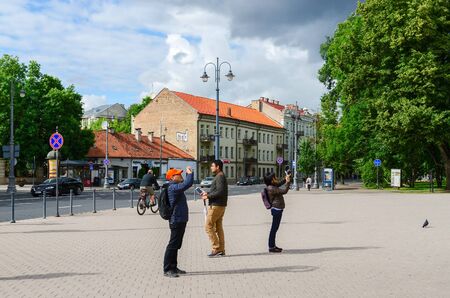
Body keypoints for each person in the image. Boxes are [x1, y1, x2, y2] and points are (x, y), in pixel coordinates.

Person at [163, 167, 193, 278]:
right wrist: (190, 174)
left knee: (176, 245)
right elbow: (187, 184)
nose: (181, 176)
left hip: (181, 219)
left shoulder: (175, 187)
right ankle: (167, 269)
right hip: (176, 219)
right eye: (178, 174)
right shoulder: (172, 188)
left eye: (181, 174)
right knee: (172, 245)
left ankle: (174, 267)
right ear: (172, 177)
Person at [201, 160, 228, 257]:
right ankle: (221, 249)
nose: (211, 168)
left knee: (208, 226)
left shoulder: (220, 177)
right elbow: (218, 190)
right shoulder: (220, 176)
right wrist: (207, 193)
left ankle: (216, 248)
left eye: (212, 166)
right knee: (219, 227)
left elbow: (220, 192)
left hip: (216, 205)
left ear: (218, 167)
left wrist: (208, 196)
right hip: (220, 205)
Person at [264, 171, 291, 253]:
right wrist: (288, 182)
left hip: (277, 209)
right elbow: (285, 191)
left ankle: (272, 245)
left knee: (275, 228)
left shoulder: (272, 186)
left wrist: (285, 178)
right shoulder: (272, 188)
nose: (276, 178)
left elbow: (279, 184)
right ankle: (271, 247)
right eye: (275, 177)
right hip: (277, 210)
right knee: (274, 228)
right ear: (272, 180)